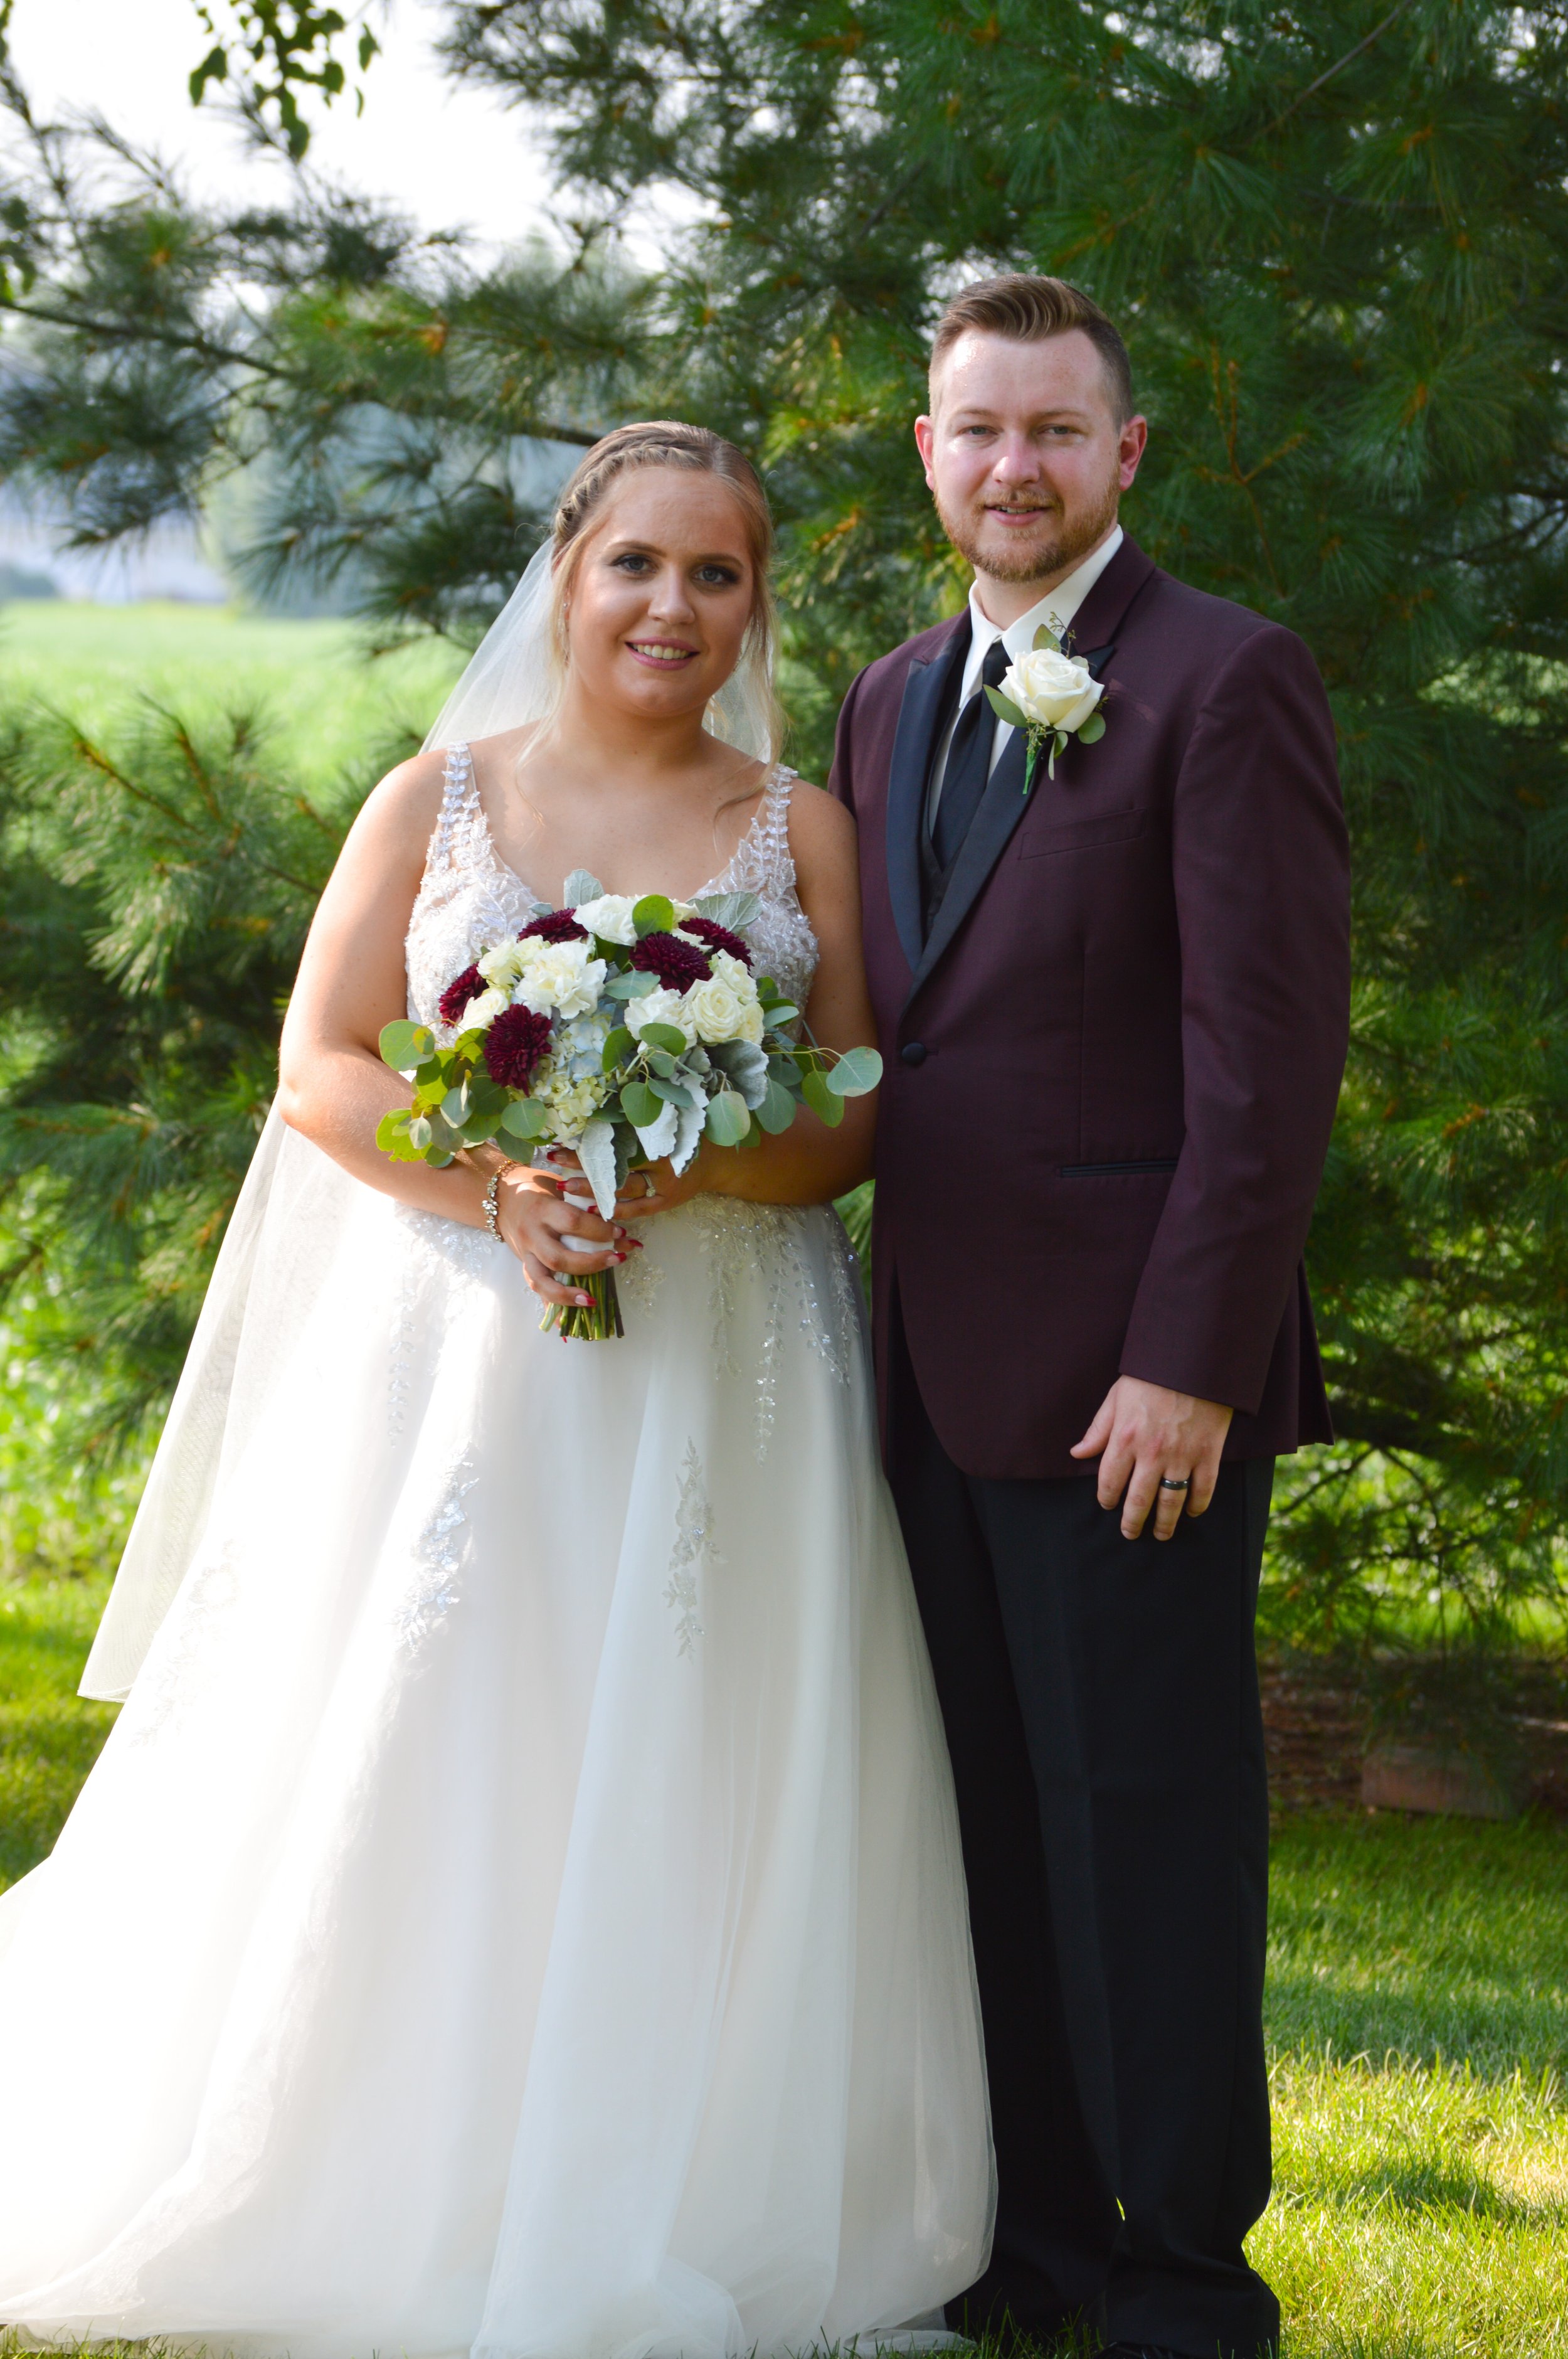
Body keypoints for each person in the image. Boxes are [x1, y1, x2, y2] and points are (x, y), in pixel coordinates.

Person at [0, 422, 994, 2358]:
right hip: (462, 1355)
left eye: (717, 577)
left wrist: (691, 1156)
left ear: (751, 609)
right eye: (637, 565)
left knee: (700, 1742)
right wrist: (503, 1189)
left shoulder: (796, 831)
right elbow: (319, 1065)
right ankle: (393, 2159)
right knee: (459, 1723)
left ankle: (694, 2171)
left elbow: (854, 1115)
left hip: (728, 1372)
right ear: (568, 572)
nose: (672, 608)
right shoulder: (433, 801)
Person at [829, 278, 1351, 2359]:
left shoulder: (1226, 682)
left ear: (1124, 455)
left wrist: (1192, 1357)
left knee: (1142, 1824)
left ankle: (1180, 2272)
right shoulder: (883, 697)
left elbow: (1267, 1064)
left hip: (1134, 1381)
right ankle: (1031, 2241)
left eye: (1055, 431)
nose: (1012, 468)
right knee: (978, 1820)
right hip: (927, 1369)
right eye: (977, 430)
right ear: (930, 451)